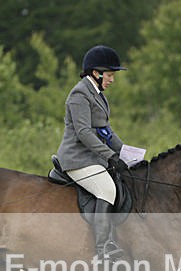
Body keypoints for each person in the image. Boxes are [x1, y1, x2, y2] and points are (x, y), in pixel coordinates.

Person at [56, 45, 130, 260]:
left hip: (93, 158)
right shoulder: (79, 94)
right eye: (109, 74)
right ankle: (102, 248)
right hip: (77, 159)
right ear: (95, 73)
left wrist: (126, 154)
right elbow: (83, 133)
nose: (112, 79)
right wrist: (111, 156)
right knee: (107, 190)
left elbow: (106, 131)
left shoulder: (98, 94)